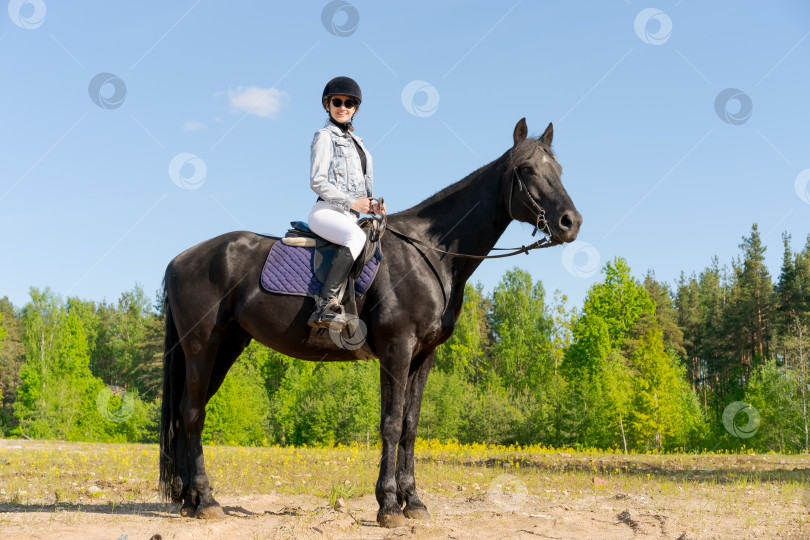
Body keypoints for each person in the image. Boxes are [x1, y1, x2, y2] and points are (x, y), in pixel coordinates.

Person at [307, 76, 384, 329]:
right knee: (357, 238)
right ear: (327, 105)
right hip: (326, 212)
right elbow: (317, 181)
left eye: (349, 103)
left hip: (350, 216)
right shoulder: (324, 136)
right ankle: (326, 304)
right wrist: (352, 202)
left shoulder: (360, 145)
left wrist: (372, 206)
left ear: (355, 109)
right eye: (337, 102)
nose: (343, 107)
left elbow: (362, 191)